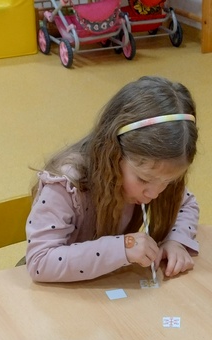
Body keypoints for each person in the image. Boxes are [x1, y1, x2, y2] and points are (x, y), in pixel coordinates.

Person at [26, 75, 199, 282]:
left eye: (167, 182)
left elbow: (186, 204)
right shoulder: (66, 184)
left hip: (107, 284)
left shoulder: (156, 174)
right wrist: (122, 248)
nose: (154, 193)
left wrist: (176, 240)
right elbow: (39, 262)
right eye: (143, 180)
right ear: (113, 154)